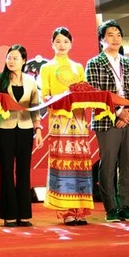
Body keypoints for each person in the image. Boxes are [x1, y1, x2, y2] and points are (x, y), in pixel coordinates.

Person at [86, 19, 129, 223]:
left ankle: (126, 206)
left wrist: (128, 114)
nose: (115, 38)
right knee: (108, 164)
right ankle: (111, 208)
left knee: (128, 164)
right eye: (110, 35)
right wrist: (118, 112)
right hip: (106, 120)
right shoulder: (94, 63)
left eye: (118, 35)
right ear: (102, 40)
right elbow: (95, 93)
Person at [38, 27, 93, 225]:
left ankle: (79, 209)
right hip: (59, 120)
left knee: (79, 162)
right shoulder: (46, 67)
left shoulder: (78, 67)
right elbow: (45, 95)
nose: (62, 45)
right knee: (63, 163)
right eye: (58, 41)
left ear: (71, 44)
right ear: (52, 43)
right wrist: (59, 101)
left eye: (65, 41)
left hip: (78, 121)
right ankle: (66, 211)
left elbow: (85, 91)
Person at [0, 44, 42, 227]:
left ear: (23, 61)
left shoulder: (31, 81)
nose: (11, 61)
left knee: (23, 171)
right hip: (4, 128)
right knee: (6, 171)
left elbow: (35, 108)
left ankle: (24, 214)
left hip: (25, 128)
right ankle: (9, 214)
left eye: (15, 58)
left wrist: (38, 130)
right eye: (9, 57)